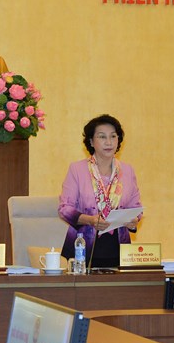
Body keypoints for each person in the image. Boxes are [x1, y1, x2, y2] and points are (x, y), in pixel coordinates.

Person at [58, 114, 143, 269]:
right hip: (83, 248)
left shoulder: (127, 170)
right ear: (91, 141)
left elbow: (136, 207)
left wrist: (134, 220)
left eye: (113, 136)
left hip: (119, 249)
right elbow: (65, 209)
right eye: (102, 137)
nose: (109, 142)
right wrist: (90, 220)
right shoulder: (77, 169)